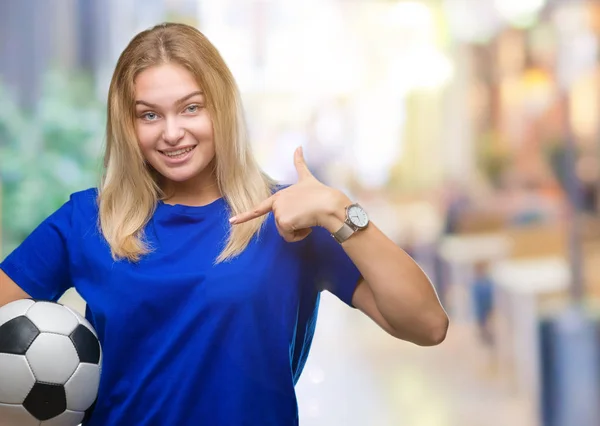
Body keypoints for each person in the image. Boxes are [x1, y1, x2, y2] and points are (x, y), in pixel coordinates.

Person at [0, 22, 448, 426]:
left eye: (191, 108)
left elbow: (427, 325)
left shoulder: (289, 217)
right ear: (128, 124)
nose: (172, 132)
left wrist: (339, 212)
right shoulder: (88, 220)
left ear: (222, 107)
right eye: (149, 115)